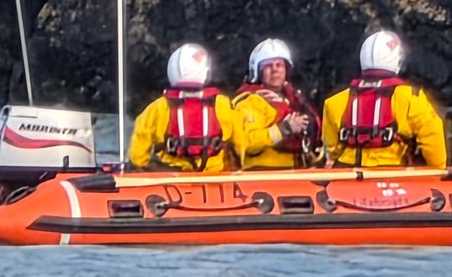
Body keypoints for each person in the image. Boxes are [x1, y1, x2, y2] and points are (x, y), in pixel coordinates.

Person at [321, 29, 448, 169]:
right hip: (392, 173)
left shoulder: (334, 102)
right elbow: (435, 148)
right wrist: (439, 169)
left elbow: (332, 150)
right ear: (398, 60)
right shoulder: (411, 98)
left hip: (347, 173)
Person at [129, 43, 241, 174]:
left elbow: (137, 153)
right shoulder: (222, 104)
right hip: (214, 177)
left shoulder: (158, 107)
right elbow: (240, 142)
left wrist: (141, 166)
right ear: (206, 71)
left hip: (172, 179)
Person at [233, 37, 323, 170]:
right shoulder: (249, 102)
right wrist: (284, 129)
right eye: (268, 65)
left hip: (296, 171)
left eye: (279, 65)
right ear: (258, 71)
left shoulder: (295, 100)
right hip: (262, 173)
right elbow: (249, 143)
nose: (275, 69)